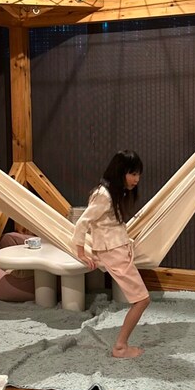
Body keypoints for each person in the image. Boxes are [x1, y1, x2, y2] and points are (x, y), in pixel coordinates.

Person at [73, 150, 150, 359]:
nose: (137, 179)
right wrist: (80, 252)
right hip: (112, 251)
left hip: (118, 248)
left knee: (141, 299)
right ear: (120, 171)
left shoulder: (113, 193)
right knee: (142, 300)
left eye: (138, 174)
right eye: (133, 173)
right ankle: (120, 347)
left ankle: (121, 345)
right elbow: (82, 222)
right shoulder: (104, 195)